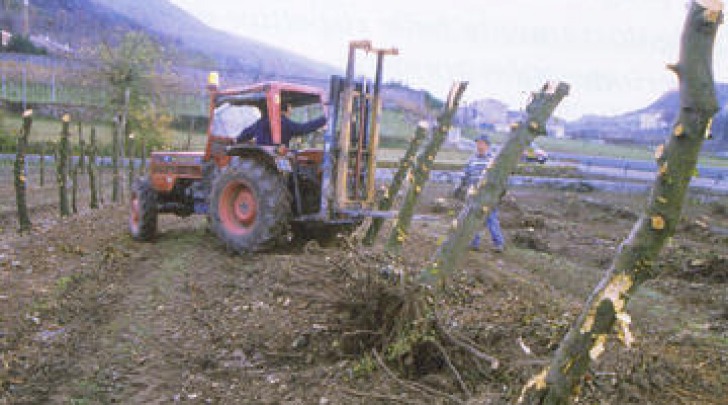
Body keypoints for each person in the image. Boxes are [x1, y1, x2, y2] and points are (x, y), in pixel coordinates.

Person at [458, 134, 505, 253]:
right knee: (472, 218)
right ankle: (474, 243)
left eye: (481, 143)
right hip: (473, 194)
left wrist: (498, 193)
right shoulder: (471, 160)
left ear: (487, 145)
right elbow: (465, 175)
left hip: (488, 195)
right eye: (477, 143)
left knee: (491, 219)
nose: (479, 146)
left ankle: (498, 243)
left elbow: (500, 177)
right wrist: (459, 187)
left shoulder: (493, 160)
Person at [236, 102, 327, 146]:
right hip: (278, 155)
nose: (290, 113)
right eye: (290, 110)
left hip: (262, 156)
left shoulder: (261, 122)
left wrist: (237, 140)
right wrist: (323, 120)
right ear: (285, 110)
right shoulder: (285, 123)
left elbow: (246, 133)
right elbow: (303, 128)